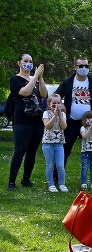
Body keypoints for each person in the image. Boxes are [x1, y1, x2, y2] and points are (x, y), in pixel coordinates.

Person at [54, 57, 92, 171]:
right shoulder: (67, 82)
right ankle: (57, 175)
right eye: (81, 66)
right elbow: (56, 95)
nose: (84, 68)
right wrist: (60, 104)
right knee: (65, 148)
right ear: (75, 67)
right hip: (71, 121)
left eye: (86, 66)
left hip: (89, 122)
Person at [8, 53, 47, 190]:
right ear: (19, 63)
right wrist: (35, 76)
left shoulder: (35, 79)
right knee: (20, 150)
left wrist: (40, 78)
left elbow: (43, 94)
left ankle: (26, 179)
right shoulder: (15, 79)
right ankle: (12, 181)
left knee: (32, 151)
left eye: (30, 61)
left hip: (37, 121)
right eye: (26, 61)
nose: (28, 63)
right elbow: (25, 92)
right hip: (22, 120)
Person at [42, 93, 68, 192]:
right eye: (54, 103)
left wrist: (60, 115)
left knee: (60, 165)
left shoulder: (63, 114)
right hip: (48, 143)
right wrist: (54, 116)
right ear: (49, 104)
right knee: (50, 165)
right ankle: (51, 184)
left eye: (59, 103)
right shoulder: (46, 113)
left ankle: (62, 184)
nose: (56, 105)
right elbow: (47, 126)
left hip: (59, 143)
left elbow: (64, 126)